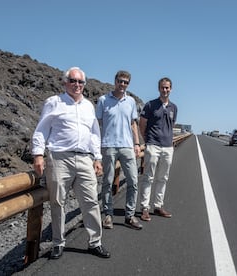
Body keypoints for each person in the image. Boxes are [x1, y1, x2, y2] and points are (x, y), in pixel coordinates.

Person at [31, 67, 110, 259]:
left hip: (84, 158)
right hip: (60, 158)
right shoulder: (54, 102)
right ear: (65, 82)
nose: (77, 85)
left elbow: (94, 134)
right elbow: (41, 130)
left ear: (84, 84)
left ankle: (95, 242)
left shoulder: (89, 106)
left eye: (80, 82)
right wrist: (38, 154)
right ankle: (58, 243)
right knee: (58, 202)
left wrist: (97, 157)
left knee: (91, 201)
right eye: (73, 81)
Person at [95, 70, 143, 230]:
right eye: (120, 81)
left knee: (133, 182)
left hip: (127, 146)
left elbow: (133, 124)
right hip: (108, 146)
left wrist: (136, 144)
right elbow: (97, 124)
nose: (122, 84)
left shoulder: (131, 101)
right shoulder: (103, 100)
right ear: (115, 81)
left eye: (126, 82)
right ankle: (108, 215)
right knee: (107, 182)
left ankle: (129, 216)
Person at [139, 77, 178, 221]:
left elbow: (171, 125)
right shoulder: (150, 105)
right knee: (148, 177)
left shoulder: (173, 107)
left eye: (167, 87)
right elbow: (142, 124)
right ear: (159, 88)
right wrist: (147, 141)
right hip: (153, 146)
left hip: (167, 147)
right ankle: (144, 208)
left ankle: (158, 206)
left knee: (163, 178)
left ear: (171, 89)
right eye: (163, 87)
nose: (165, 90)